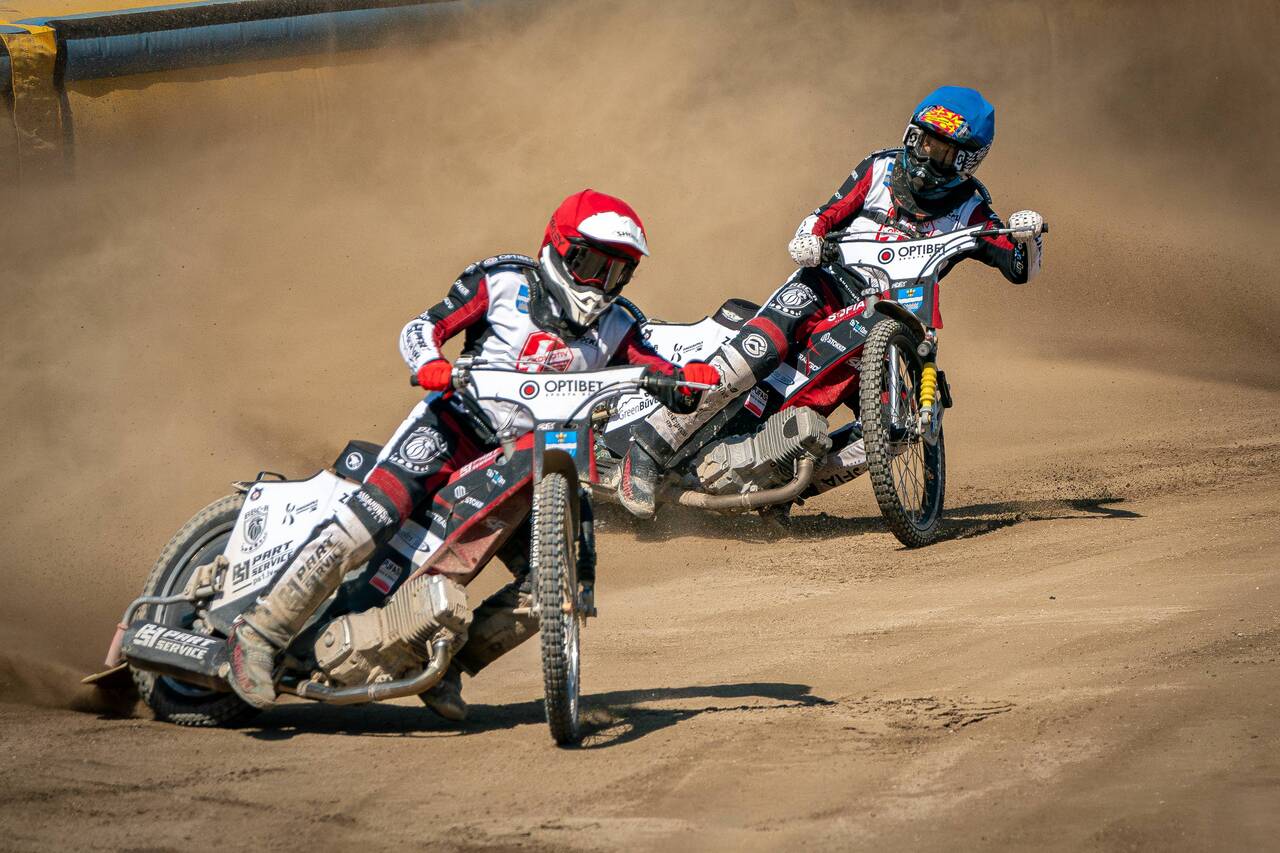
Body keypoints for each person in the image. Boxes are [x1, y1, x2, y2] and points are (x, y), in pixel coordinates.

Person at [226, 189, 720, 715]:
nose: (601, 284)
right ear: (559, 247)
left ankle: (448, 669)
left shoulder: (619, 323)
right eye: (594, 265)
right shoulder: (504, 281)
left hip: (534, 460)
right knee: (370, 519)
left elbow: (660, 368)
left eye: (618, 273)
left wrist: (688, 381)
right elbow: (424, 326)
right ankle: (258, 634)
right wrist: (429, 362)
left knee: (563, 582)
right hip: (453, 428)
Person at [616, 86, 1046, 518]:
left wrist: (1027, 237)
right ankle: (647, 451)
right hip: (826, 284)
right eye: (923, 141)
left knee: (894, 431)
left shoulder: (972, 208)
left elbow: (1018, 266)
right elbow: (826, 214)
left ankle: (781, 488)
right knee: (758, 350)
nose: (926, 157)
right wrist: (809, 237)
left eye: (944, 151)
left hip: (891, 317)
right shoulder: (878, 168)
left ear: (968, 161)